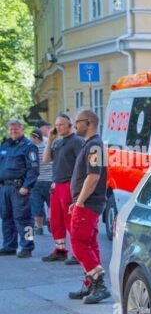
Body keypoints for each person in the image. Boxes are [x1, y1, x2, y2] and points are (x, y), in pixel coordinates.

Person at [68, 109, 110, 303]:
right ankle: (90, 284)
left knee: (78, 242)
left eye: (77, 121)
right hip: (87, 203)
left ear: (89, 122)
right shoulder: (92, 145)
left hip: (88, 204)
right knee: (90, 244)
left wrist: (80, 201)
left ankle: (99, 285)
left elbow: (93, 177)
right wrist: (76, 200)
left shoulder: (94, 146)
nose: (75, 125)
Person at [41, 114, 84, 263]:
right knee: (56, 221)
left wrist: (78, 187)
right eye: (56, 125)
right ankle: (60, 250)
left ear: (70, 125)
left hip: (69, 185)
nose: (58, 128)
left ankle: (78, 253)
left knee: (70, 220)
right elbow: (46, 159)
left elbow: (83, 165)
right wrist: (50, 140)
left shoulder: (77, 141)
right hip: (56, 185)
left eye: (61, 125)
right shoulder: (58, 143)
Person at [0, 119, 39, 258]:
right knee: (6, 217)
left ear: (22, 130)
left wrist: (27, 186)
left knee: (24, 219)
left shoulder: (29, 146)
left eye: (16, 128)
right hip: (5, 188)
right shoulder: (5, 145)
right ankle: (9, 246)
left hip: (19, 188)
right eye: (11, 129)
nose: (13, 131)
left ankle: (27, 247)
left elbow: (33, 169)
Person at [29, 129, 52, 235]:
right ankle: (50, 219)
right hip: (50, 180)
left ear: (36, 138)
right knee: (51, 204)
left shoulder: (32, 149)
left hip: (37, 182)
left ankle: (39, 228)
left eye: (31, 137)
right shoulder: (48, 145)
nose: (30, 139)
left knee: (37, 206)